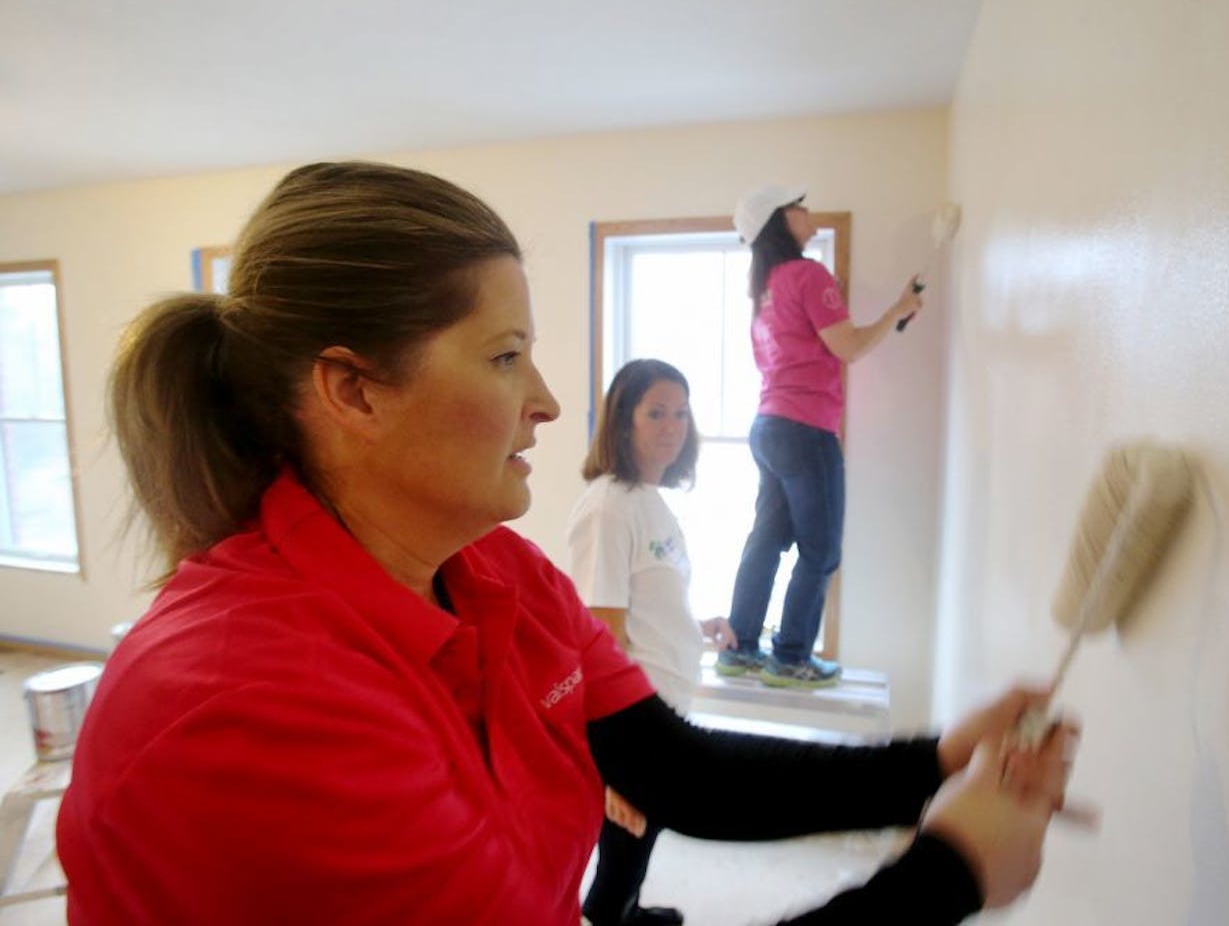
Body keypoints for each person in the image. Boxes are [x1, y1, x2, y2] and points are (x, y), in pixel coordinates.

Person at [57, 161, 1075, 926]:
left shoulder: (496, 571)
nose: (545, 401)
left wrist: (936, 758)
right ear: (353, 389)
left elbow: (676, 767)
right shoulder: (246, 703)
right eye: (505, 356)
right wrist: (950, 871)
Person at [719, 184, 924, 689]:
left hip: (768, 426)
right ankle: (790, 656)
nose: (808, 214)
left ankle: (740, 645)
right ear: (779, 221)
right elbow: (848, 346)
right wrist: (898, 309)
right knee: (821, 550)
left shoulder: (763, 289)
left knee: (766, 540)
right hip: (805, 430)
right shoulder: (807, 275)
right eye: (798, 207)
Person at [567, 358, 737, 926]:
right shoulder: (611, 508)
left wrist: (698, 623)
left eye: (681, 413)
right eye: (656, 413)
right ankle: (614, 913)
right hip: (636, 713)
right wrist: (615, 765)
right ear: (623, 421)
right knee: (626, 847)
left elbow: (651, 600)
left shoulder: (649, 501)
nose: (672, 426)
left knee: (639, 839)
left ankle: (625, 910)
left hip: (663, 703)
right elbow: (601, 635)